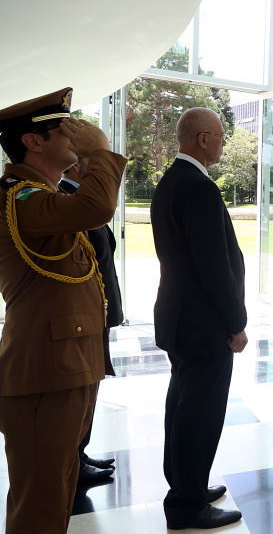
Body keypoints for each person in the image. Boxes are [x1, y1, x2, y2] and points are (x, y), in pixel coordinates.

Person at [0, 88, 127, 534]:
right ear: (33, 142)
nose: (75, 135)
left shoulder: (44, 195)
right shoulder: (19, 198)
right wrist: (100, 151)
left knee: (56, 495)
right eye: (64, 129)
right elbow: (96, 207)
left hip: (67, 367)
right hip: (44, 374)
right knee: (39, 504)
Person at [151, 108, 247, 530]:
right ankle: (187, 504)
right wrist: (236, 322)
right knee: (200, 413)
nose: (226, 144)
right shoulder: (198, 189)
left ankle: (187, 485)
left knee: (183, 406)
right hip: (204, 323)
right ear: (203, 139)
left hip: (179, 317)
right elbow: (215, 267)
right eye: (222, 137)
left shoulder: (170, 182)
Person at [60, 156, 124, 484]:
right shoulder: (70, 201)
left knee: (91, 390)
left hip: (96, 313)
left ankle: (79, 456)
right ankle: (74, 462)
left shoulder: (80, 200)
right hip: (87, 315)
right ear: (74, 166)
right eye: (90, 160)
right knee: (83, 390)